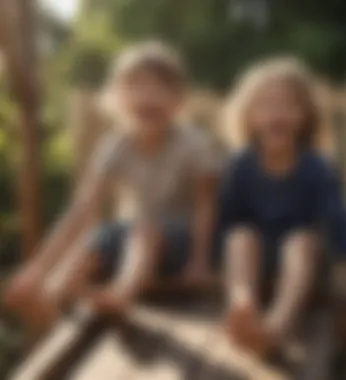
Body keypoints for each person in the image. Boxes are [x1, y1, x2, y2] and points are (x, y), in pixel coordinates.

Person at [4, 41, 221, 335]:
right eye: (136, 87)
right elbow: (83, 207)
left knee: (144, 229)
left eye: (159, 88)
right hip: (134, 238)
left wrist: (199, 262)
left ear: (178, 99)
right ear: (118, 99)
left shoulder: (192, 142)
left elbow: (206, 204)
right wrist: (37, 267)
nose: (148, 97)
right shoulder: (116, 144)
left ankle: (122, 293)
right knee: (94, 241)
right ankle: (50, 298)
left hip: (180, 241)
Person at [220, 57, 346, 359]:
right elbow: (227, 222)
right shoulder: (241, 165)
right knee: (239, 236)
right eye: (265, 105)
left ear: (306, 115)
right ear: (249, 116)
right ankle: (242, 307)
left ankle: (277, 326)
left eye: (287, 105)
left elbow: (339, 223)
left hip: (302, 268)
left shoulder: (316, 167)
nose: (276, 113)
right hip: (257, 263)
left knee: (301, 240)